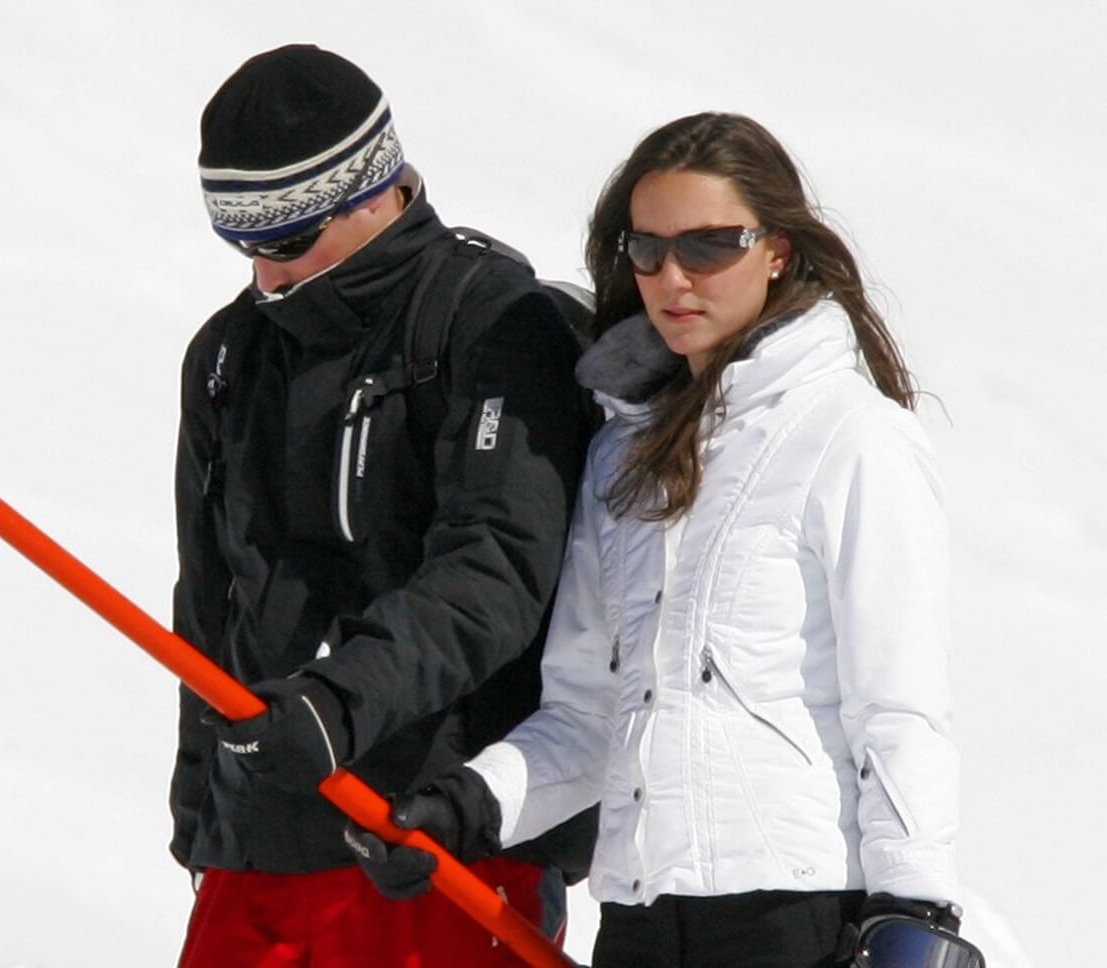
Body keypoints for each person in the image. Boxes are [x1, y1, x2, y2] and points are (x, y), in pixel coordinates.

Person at [349, 113, 982, 968]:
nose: (672, 278)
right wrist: (467, 806)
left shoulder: (851, 437)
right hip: (643, 921)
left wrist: (913, 911)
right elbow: (587, 715)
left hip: (795, 919)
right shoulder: (625, 455)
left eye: (710, 246)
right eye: (647, 251)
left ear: (778, 251)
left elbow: (899, 705)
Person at [169, 44, 596, 967]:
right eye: (240, 248)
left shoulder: (495, 325)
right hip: (263, 846)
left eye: (284, 243)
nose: (264, 279)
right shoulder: (228, 356)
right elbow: (210, 597)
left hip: (431, 843)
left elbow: (497, 568)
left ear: (372, 191)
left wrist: (335, 708)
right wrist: (201, 806)